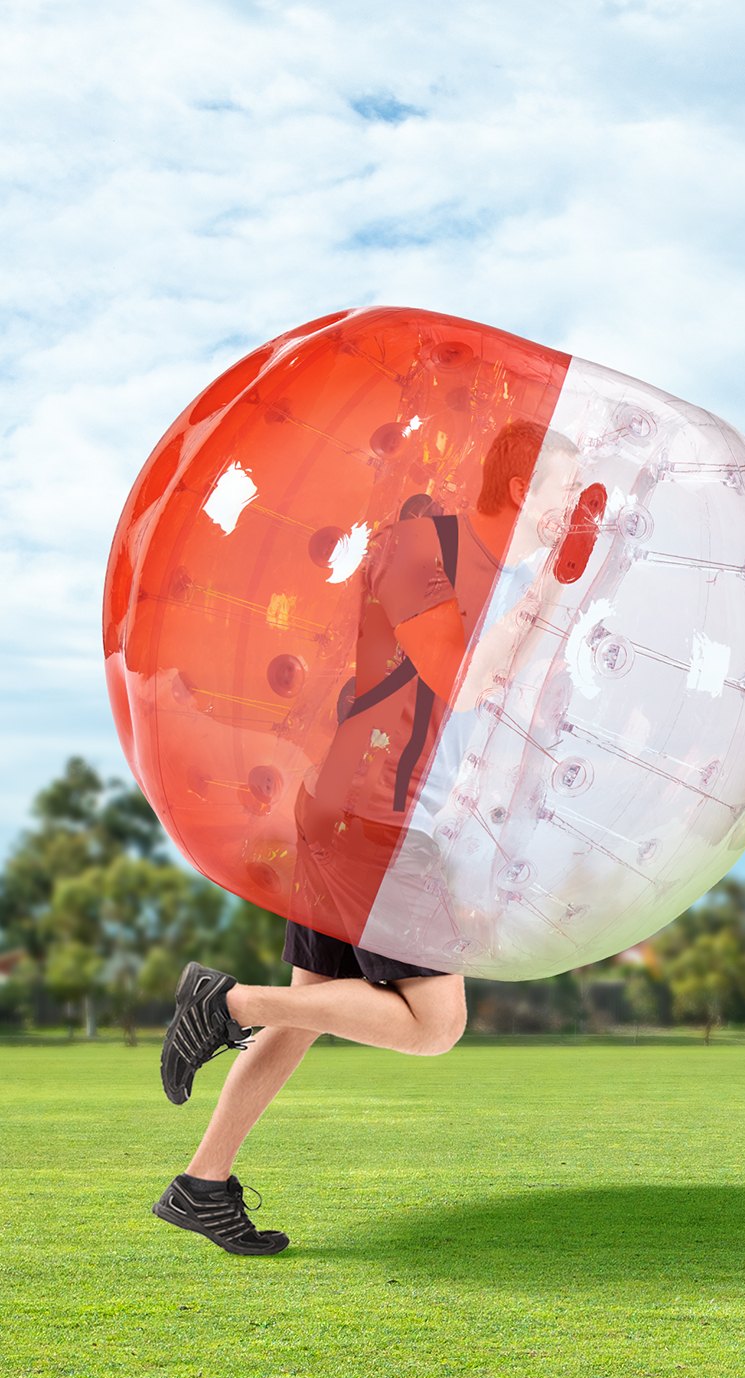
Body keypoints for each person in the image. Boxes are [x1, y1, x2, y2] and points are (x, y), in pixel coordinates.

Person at [152, 419, 568, 1255]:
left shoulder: (482, 569)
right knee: (434, 1024)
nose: (572, 502)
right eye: (563, 484)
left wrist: (552, 581)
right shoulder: (420, 547)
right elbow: (474, 681)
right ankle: (225, 1003)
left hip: (356, 810)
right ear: (523, 485)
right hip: (369, 816)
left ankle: (202, 1185)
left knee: (307, 1016)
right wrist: (551, 583)